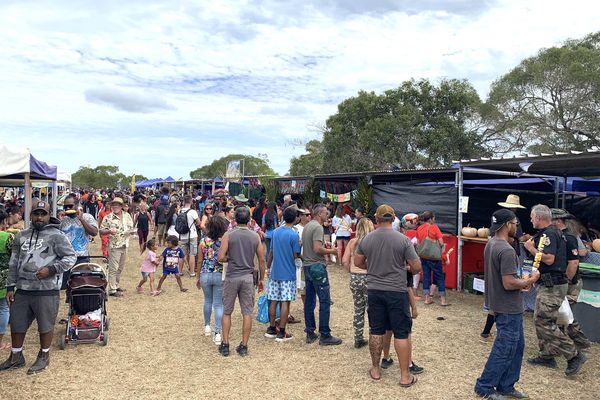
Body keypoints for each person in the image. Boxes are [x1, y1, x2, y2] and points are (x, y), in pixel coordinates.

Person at [0, 201, 76, 374]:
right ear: (30, 214)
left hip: (46, 290)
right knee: (17, 324)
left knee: (45, 324)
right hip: (23, 289)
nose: (39, 217)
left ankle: (44, 356)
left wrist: (51, 269)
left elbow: (70, 257)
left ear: (49, 215)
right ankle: (16, 356)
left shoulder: (57, 236)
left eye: (43, 214)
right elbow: (13, 263)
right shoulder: (21, 235)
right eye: (36, 213)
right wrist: (10, 286)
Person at [474, 209, 541, 399]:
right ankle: (485, 386)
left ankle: (506, 385)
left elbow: (507, 279)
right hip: (508, 306)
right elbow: (509, 282)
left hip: (502, 303)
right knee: (505, 348)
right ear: (507, 225)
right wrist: (530, 280)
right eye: (515, 223)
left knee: (517, 347)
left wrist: (522, 283)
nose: (517, 227)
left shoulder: (492, 243)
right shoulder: (506, 249)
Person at [353, 205, 421, 386]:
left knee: (376, 330)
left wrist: (374, 267)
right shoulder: (403, 240)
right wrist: (401, 267)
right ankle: (405, 376)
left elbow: (357, 262)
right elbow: (416, 267)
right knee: (401, 333)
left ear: (376, 219)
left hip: (375, 290)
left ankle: (376, 370)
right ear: (393, 219)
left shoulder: (367, 238)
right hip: (397, 291)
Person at [525, 204, 587, 376]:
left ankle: (573, 355)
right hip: (549, 283)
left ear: (538, 217)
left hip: (552, 285)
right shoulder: (554, 233)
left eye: (532, 216)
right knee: (543, 319)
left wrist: (531, 248)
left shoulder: (549, 234)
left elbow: (550, 259)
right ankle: (547, 354)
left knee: (544, 322)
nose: (530, 220)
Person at [218, 207, 266, 357]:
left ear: (235, 219)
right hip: (247, 277)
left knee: (227, 311)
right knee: (247, 312)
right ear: (249, 219)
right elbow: (261, 259)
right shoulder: (255, 236)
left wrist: (230, 258)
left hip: (232, 276)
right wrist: (262, 278)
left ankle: (225, 344)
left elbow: (220, 257)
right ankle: (244, 345)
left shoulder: (229, 235)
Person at [550, 209, 592, 350]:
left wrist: (565, 281)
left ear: (557, 220)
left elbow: (573, 263)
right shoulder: (558, 235)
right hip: (564, 281)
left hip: (570, 283)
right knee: (562, 315)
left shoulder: (569, 237)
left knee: (564, 316)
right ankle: (565, 344)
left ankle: (578, 342)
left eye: (550, 220)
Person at [302, 204, 342, 346]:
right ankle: (325, 334)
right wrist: (332, 251)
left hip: (307, 266)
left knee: (310, 300)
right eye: (326, 213)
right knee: (324, 300)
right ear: (319, 214)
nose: (328, 215)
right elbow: (317, 249)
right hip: (317, 266)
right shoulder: (318, 227)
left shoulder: (307, 226)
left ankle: (310, 332)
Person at [265, 207, 302, 342]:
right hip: (288, 273)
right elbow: (296, 255)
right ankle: (282, 331)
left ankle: (271, 328)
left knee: (273, 300)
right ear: (295, 219)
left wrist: (268, 267)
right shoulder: (293, 235)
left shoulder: (275, 232)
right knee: (285, 301)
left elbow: (271, 251)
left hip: (275, 272)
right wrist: (301, 247)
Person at [342, 218, 374, 349]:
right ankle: (374, 336)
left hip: (355, 278)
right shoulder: (372, 242)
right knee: (372, 310)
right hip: (369, 278)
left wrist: (351, 270)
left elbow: (344, 260)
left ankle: (358, 338)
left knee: (358, 309)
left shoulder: (352, 242)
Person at [197, 216, 229, 346]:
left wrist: (198, 275)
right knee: (218, 304)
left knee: (207, 301)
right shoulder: (225, 241)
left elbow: (200, 260)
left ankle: (207, 326)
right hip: (220, 274)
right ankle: (218, 333)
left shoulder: (203, 241)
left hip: (205, 273)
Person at [59, 194, 99, 289]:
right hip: (65, 257)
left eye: (70, 206)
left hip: (81, 257)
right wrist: (58, 222)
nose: (68, 208)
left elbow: (94, 232)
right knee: (64, 287)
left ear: (77, 205)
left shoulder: (87, 217)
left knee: (80, 286)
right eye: (66, 206)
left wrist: (82, 220)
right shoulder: (63, 219)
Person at [99, 197, 134, 297]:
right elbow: (101, 230)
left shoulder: (127, 215)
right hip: (114, 246)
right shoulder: (108, 217)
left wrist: (132, 231)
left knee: (120, 267)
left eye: (117, 205)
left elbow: (131, 227)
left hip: (125, 244)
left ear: (121, 206)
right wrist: (109, 231)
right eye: (113, 205)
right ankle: (112, 289)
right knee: (113, 268)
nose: (115, 207)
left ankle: (116, 285)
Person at [416, 211, 448, 306]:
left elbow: (418, 243)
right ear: (430, 219)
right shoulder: (434, 227)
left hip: (423, 256)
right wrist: (442, 249)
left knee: (426, 276)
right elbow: (441, 243)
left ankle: (427, 299)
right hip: (434, 257)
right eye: (434, 218)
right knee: (439, 277)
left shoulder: (419, 228)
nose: (435, 219)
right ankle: (443, 300)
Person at [0, 210, 14, 351]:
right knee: (3, 308)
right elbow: (15, 256)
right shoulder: (8, 237)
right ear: (4, 222)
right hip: (4, 278)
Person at [178, 195, 201, 277]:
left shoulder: (180, 211)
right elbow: (199, 223)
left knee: (182, 255)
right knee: (192, 254)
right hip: (192, 235)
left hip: (182, 235)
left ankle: (179, 271)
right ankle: (192, 272)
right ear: (191, 201)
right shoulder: (193, 212)